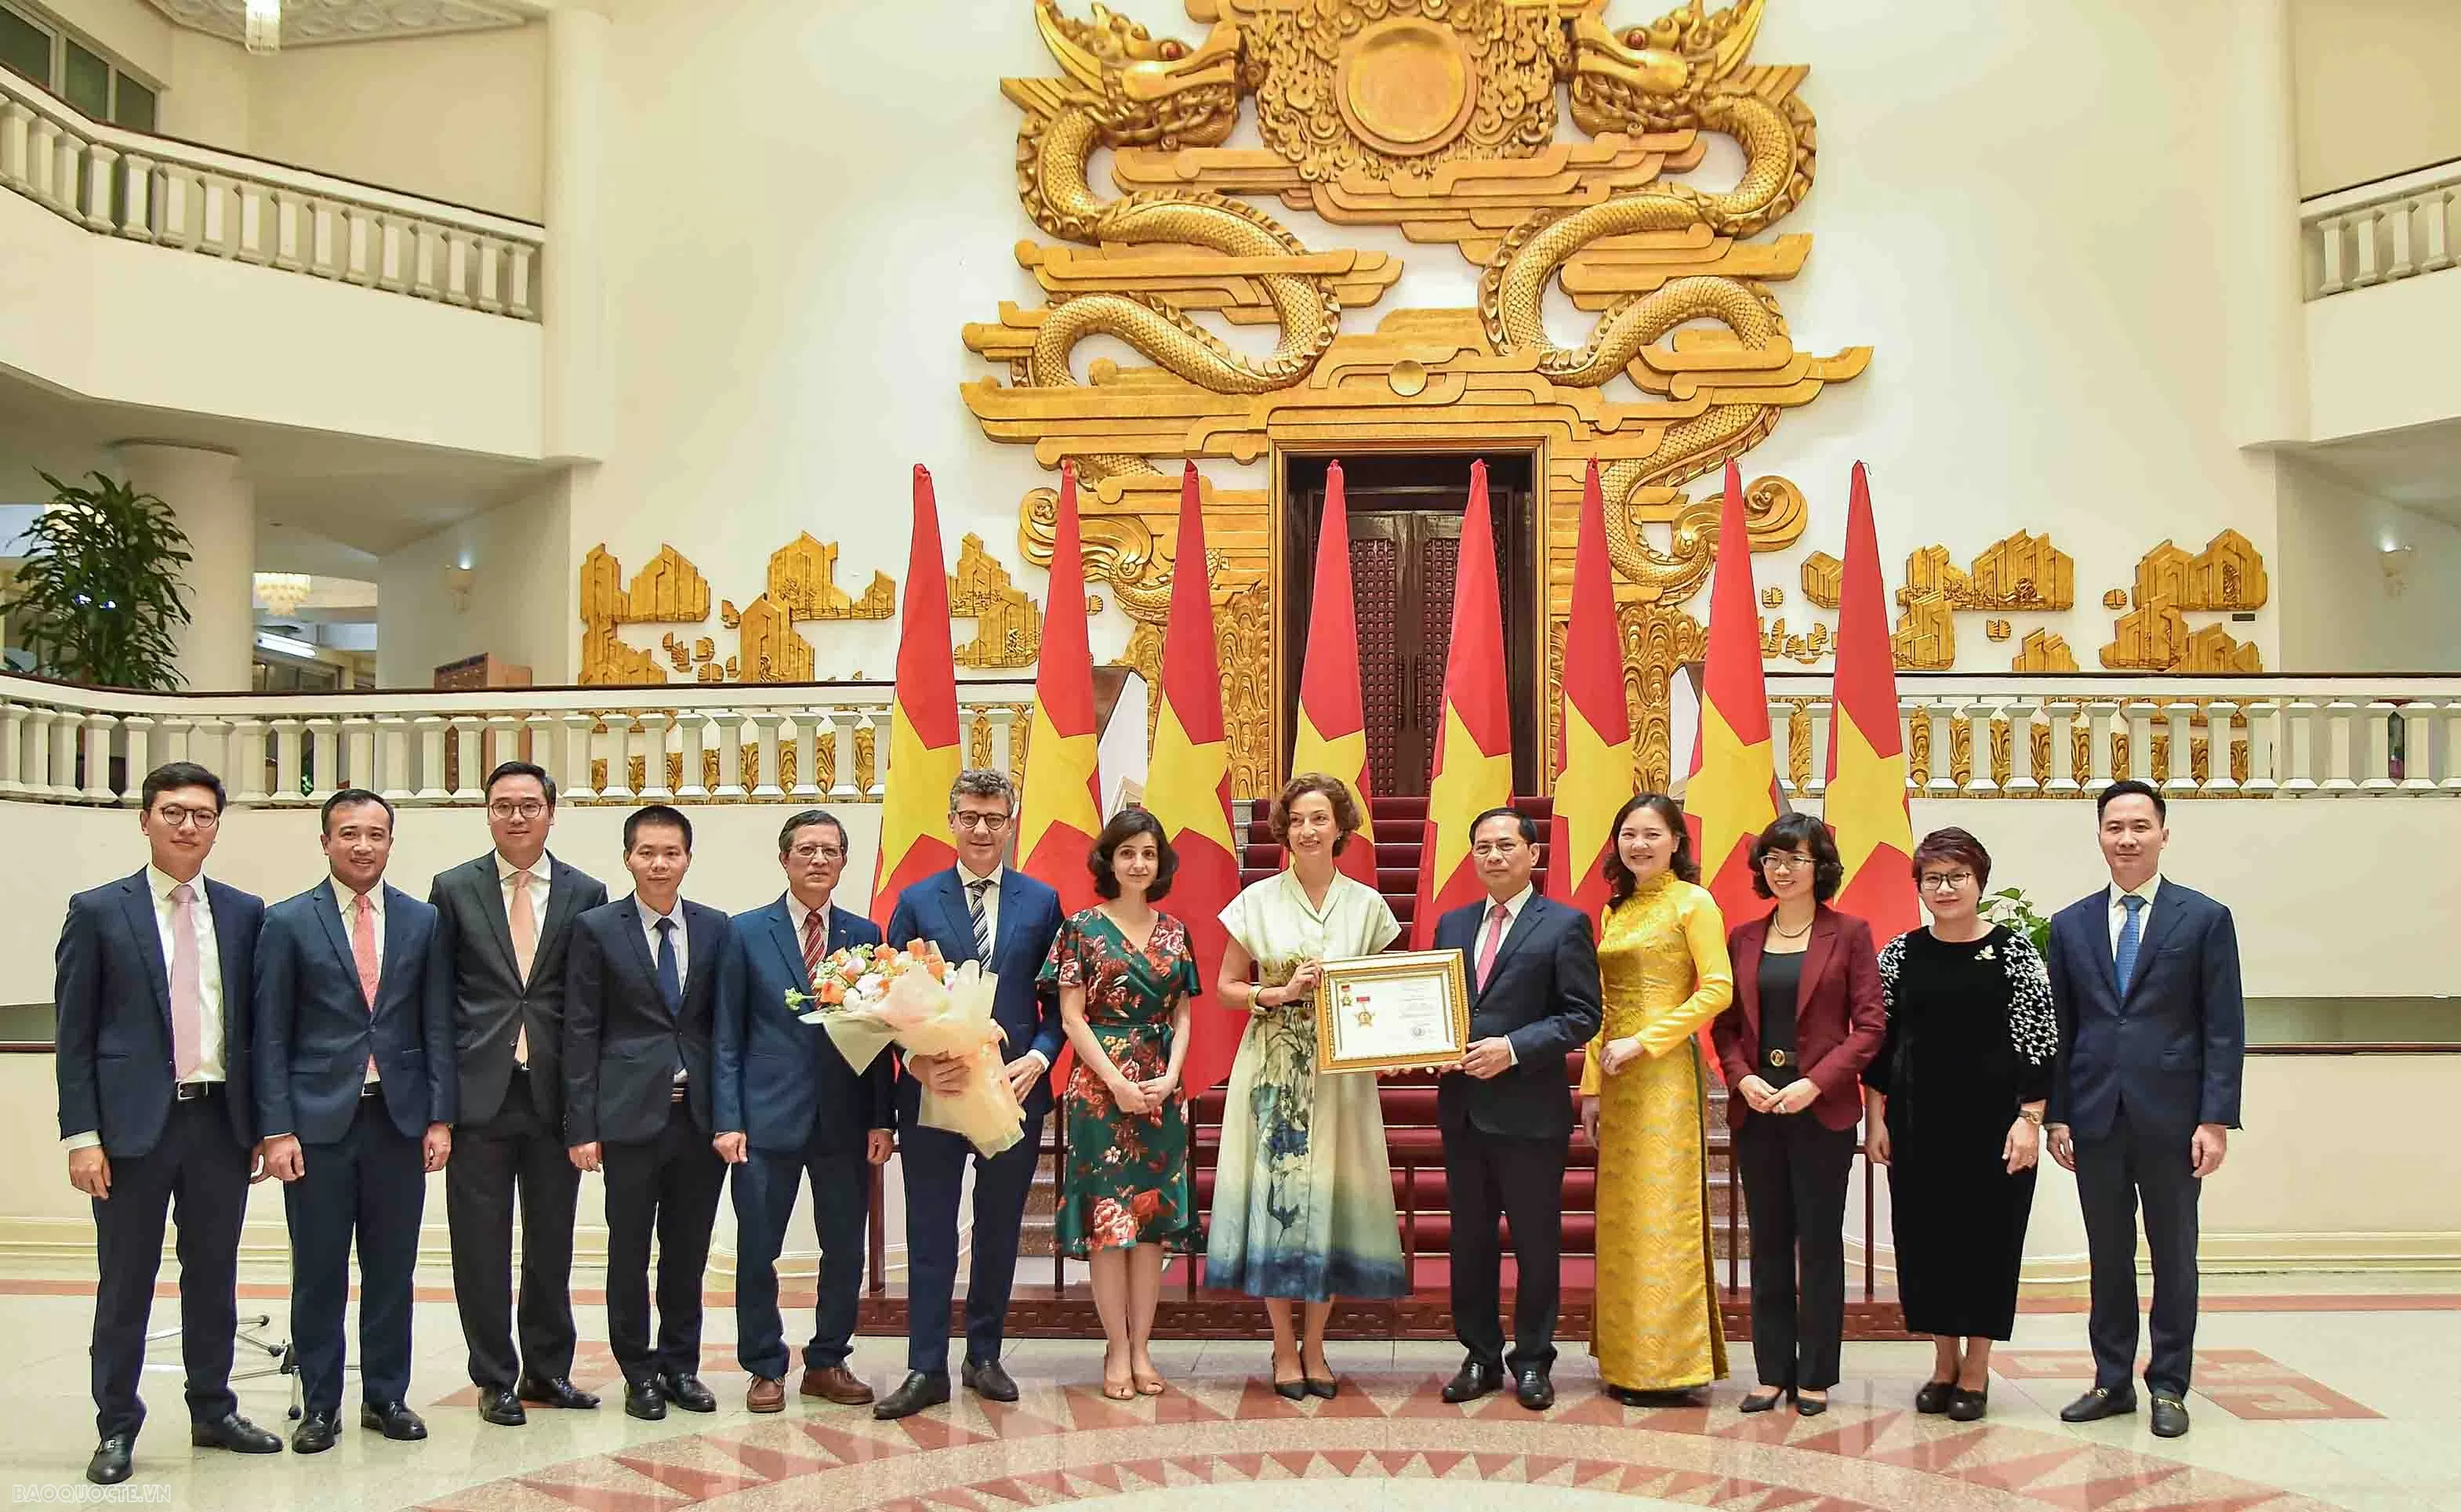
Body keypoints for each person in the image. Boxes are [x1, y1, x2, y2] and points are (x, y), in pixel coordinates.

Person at [54, 762, 281, 1486]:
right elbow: (75, 1032)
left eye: (203, 815)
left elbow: (257, 1029)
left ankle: (213, 1410)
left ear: (218, 825)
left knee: (214, 1277)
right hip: (130, 1131)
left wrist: (262, 1125)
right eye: (174, 812)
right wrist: (81, 1134)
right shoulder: (98, 910)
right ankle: (117, 1425)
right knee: (126, 1282)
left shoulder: (247, 912)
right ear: (146, 818)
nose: (189, 826)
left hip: (219, 1122)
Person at [252, 788, 455, 1452]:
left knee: (392, 1269)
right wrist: (276, 1127)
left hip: (397, 1122)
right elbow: (271, 1034)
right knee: (318, 1270)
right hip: (316, 1125)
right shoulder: (285, 922)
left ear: (390, 842)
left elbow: (436, 1026)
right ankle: (319, 1405)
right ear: (325, 841)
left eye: (375, 833)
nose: (362, 845)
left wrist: (439, 1117)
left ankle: (386, 1396)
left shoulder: (422, 920)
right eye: (348, 833)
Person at [2045, 779, 2245, 1439]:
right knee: (2106, 1253)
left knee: (2173, 1254)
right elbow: (2063, 1029)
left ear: (2163, 833)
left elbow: (2222, 1025)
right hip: (2095, 1116)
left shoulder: (2204, 918)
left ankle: (2168, 1383)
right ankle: (2109, 1379)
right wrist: (2058, 1115)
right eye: (2113, 827)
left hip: (2174, 1119)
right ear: (2098, 835)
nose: (2126, 838)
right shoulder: (2070, 924)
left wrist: (2213, 1118)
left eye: (2139, 826)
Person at [1209, 773, 1407, 1401]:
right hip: (1272, 1069)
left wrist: (1397, 1043)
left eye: (1319, 818)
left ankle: (1317, 1347)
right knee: (1275, 1202)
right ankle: (1280, 1346)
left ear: (1340, 827)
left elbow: (1382, 996)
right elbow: (1224, 987)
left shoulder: (1368, 905)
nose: (1307, 829)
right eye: (1296, 819)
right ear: (1283, 830)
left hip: (1342, 1075)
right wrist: (1279, 992)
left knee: (1328, 1202)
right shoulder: (1256, 901)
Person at [877, 770, 1065, 1419]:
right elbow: (885, 997)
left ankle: (984, 1353)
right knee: (930, 1232)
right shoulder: (917, 899)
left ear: (1011, 821)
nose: (981, 829)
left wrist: (1039, 1058)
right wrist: (916, 1062)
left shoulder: (1041, 902)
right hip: (934, 1092)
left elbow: (1059, 1002)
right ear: (950, 821)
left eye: (993, 817)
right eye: (969, 816)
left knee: (997, 1230)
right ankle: (924, 1365)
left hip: (1011, 1092)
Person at [428, 760, 608, 1425]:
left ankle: (546, 1370)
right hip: (480, 1095)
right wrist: (438, 1108)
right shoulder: (453, 889)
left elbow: (590, 1007)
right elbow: (436, 1002)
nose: (516, 816)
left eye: (529, 805)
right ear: (488, 813)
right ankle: (494, 1375)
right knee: (479, 1243)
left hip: (554, 1095)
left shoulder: (585, 892)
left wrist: (587, 1108)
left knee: (552, 1240)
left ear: (551, 813)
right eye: (503, 804)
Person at [1860, 827, 2053, 1422]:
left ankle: (1976, 1366)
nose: (1943, 888)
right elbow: (1877, 1043)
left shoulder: (2014, 952)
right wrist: (1874, 1118)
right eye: (1932, 878)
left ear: (1979, 882)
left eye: (1956, 876)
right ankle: (1942, 1360)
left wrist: (2030, 1119)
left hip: (1995, 1129)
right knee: (1926, 1244)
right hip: (1918, 1126)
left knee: (1986, 1245)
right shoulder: (1899, 953)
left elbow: (2039, 1042)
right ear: (1918, 885)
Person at [713, 808, 895, 1413]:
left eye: (830, 850)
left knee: (843, 1245)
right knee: (758, 1244)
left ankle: (827, 1359)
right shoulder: (743, 931)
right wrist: (728, 1118)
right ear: (785, 858)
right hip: (764, 1120)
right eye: (806, 849)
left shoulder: (865, 934)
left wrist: (880, 1118)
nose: (818, 859)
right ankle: (764, 1365)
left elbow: (878, 1039)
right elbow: (727, 1035)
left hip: (843, 1120)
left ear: (844, 861)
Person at [1429, 807, 1603, 1412]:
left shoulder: (1564, 924)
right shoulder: (1450, 923)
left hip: (1530, 1113)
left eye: (1506, 845)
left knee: (1535, 1244)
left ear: (1532, 854)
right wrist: (1427, 1046)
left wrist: (1512, 1048)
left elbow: (1583, 1014)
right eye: (1482, 848)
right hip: (1463, 1110)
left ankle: (1532, 1360)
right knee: (1468, 1244)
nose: (1494, 857)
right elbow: (1438, 1006)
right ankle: (1478, 1354)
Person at [1712, 813, 1883, 1417]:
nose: (1782, 869)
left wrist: (1815, 1083)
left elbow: (1869, 1026)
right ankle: (1770, 1371)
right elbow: (1726, 1026)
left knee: (1818, 1243)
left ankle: (1814, 1373)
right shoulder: (1742, 938)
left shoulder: (1850, 932)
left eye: (1795, 858)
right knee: (1767, 1244)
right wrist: (1744, 1077)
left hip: (1821, 1109)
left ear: (1821, 867)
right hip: (1758, 1108)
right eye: (1772, 859)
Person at [564, 805, 731, 1421]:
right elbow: (581, 1029)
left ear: (688, 857)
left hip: (698, 1119)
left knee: (688, 1252)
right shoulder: (596, 928)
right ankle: (637, 1370)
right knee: (629, 1251)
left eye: (672, 852)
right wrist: (581, 1125)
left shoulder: (716, 928)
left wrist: (728, 1115)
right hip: (627, 1119)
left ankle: (680, 1365)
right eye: (647, 852)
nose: (659, 863)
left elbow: (724, 1029)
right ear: (628, 857)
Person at [1040, 807, 1199, 1401]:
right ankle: (1114, 1346)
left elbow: (1183, 1014)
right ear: (1109, 860)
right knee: (1109, 1224)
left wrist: (1171, 1076)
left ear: (1160, 864)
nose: (1138, 862)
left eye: (1149, 853)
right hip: (1097, 1090)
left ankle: (1142, 1347)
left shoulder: (1175, 930)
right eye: (1127, 852)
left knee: (1150, 1223)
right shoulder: (1080, 927)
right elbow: (1071, 1016)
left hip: (1161, 1088)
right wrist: (1115, 1081)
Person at [1582, 792, 1733, 1405]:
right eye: (1628, 834)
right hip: (1617, 1079)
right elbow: (1600, 1005)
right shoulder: (1613, 910)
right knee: (1621, 1220)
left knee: (1662, 1215)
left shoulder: (1693, 902)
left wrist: (1647, 1041)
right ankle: (1625, 1358)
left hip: (1664, 1073)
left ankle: (1670, 1364)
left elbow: (1717, 988)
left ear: (1675, 840)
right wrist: (1591, 1084)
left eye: (1651, 833)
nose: (1638, 844)